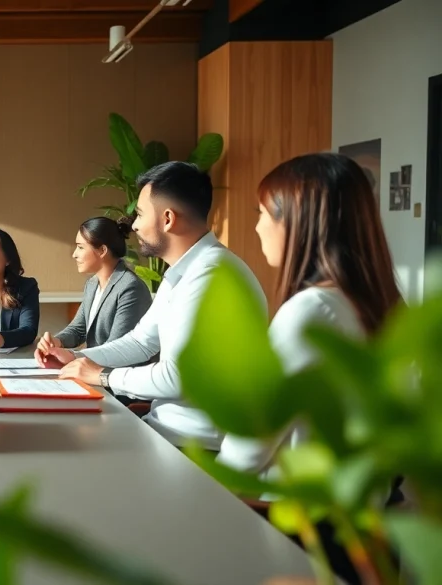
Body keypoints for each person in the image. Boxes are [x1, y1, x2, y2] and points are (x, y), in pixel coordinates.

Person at [216, 152, 404, 585]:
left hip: (305, 539)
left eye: (263, 213)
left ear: (297, 222)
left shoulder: (311, 311)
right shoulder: (384, 303)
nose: (258, 225)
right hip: (366, 533)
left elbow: (248, 446)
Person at [40, 161, 266, 449]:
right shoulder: (183, 272)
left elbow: (176, 377)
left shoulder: (211, 276)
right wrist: (74, 357)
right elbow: (141, 341)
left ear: (168, 218)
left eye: (141, 213)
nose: (133, 224)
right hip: (165, 430)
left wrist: (102, 376)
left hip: (196, 446)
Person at [36, 217, 152, 355]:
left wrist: (73, 357)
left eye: (80, 247)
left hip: (119, 373)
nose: (74, 255)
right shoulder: (92, 284)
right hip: (94, 369)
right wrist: (55, 342)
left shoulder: (130, 288)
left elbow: (117, 348)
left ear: (102, 250)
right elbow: (79, 329)